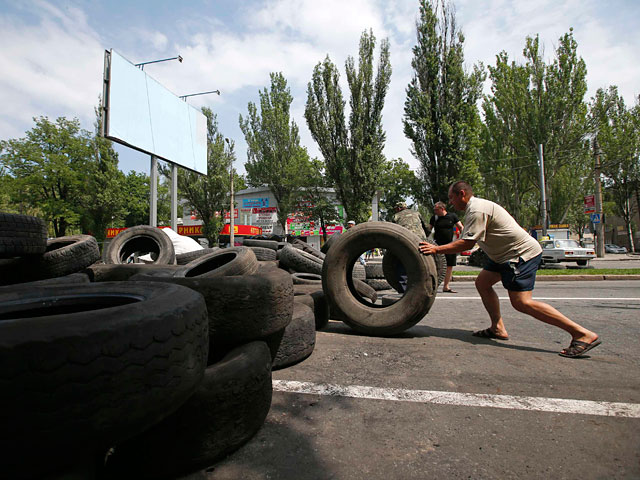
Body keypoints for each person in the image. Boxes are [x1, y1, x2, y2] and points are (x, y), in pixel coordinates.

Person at [418, 181, 601, 359]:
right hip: (502, 256)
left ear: (462, 194)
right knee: (482, 283)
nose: (450, 202)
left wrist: (436, 249)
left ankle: (581, 333)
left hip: (520, 255)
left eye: (452, 198)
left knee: (522, 302)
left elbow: (467, 243)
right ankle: (497, 328)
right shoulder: (476, 207)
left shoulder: (477, 209)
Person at [391, 201, 430, 292]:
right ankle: (425, 285)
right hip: (420, 240)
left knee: (402, 262)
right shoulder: (417, 213)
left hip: (405, 240)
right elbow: (426, 227)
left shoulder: (396, 216)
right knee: (423, 262)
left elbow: (392, 230)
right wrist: (426, 238)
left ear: (398, 208)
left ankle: (404, 290)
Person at [427, 201, 464, 293]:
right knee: (435, 265)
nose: (435, 211)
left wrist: (461, 239)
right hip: (436, 246)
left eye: (436, 209)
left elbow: (461, 228)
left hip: (450, 245)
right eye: (434, 210)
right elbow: (428, 230)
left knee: (449, 266)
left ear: (442, 209)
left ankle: (446, 286)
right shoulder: (434, 218)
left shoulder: (452, 216)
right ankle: (432, 286)